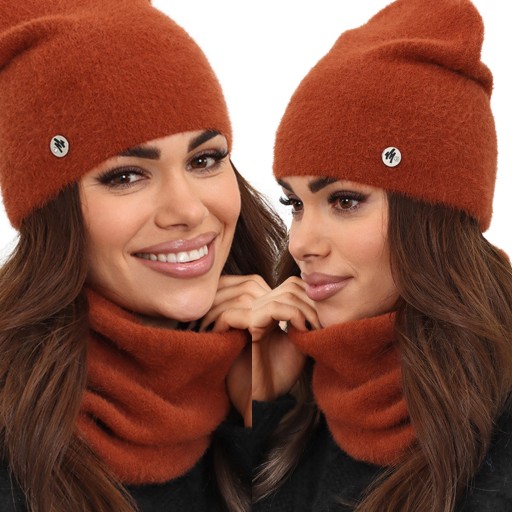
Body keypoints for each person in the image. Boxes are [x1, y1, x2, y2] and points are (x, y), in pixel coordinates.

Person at [0, 1, 285, 511]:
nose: (188, 210)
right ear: (51, 213)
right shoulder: (14, 435)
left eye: (204, 160)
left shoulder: (293, 370)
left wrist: (264, 406)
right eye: (127, 175)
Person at [251, 0, 512, 511]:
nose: (300, 243)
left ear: (433, 216)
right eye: (295, 204)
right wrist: (254, 398)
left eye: (344, 201)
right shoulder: (291, 397)